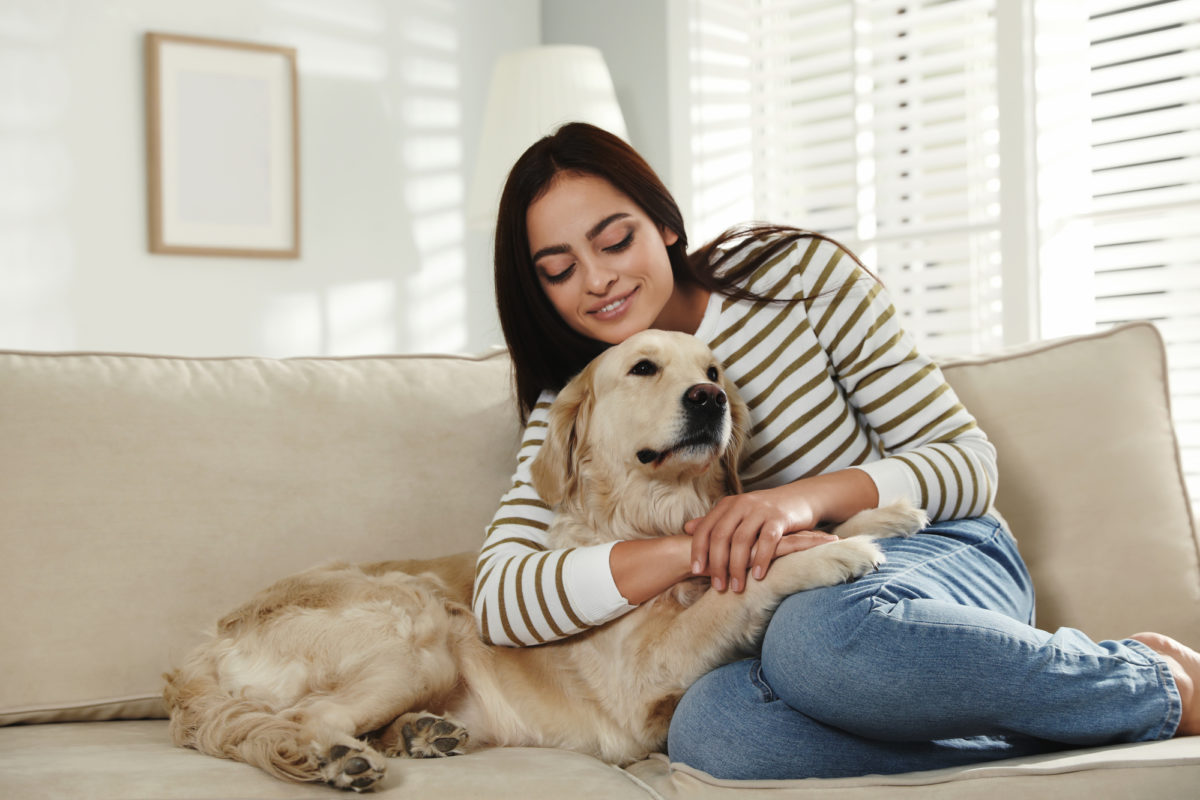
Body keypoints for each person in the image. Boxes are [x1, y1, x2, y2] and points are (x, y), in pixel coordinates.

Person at [472, 121, 1199, 779]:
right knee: (711, 731)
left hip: (930, 555)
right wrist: (706, 550)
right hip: (775, 614)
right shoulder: (574, 400)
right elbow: (503, 601)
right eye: (559, 268)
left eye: (614, 239)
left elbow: (965, 461)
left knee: (817, 640)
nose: (598, 280)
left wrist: (792, 504)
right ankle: (1086, 708)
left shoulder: (799, 281)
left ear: (664, 224)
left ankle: (1153, 684)